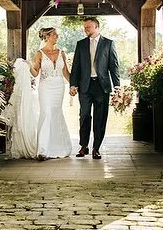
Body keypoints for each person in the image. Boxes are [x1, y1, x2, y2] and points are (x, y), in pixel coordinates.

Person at [69, 17, 120, 160]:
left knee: (100, 118)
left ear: (97, 27)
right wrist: (73, 84)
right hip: (85, 86)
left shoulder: (108, 44)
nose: (86, 30)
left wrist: (117, 86)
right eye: (85, 27)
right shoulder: (80, 44)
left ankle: (96, 148)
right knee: (84, 116)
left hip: (102, 87)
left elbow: (114, 67)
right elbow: (76, 66)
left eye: (89, 27)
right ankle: (83, 146)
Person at [29, 26, 73, 160]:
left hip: (59, 87)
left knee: (56, 113)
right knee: (46, 113)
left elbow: (65, 72)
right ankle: (42, 150)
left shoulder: (62, 53)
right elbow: (36, 73)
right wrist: (27, 66)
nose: (57, 36)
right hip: (45, 87)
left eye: (56, 34)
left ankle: (59, 147)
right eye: (54, 34)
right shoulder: (39, 53)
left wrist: (74, 84)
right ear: (47, 36)